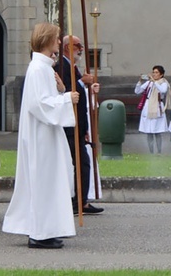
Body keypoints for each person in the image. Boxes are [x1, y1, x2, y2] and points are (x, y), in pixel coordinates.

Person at [2, 23, 79, 249]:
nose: (58, 42)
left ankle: (47, 229)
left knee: (51, 181)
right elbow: (39, 104)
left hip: (47, 134)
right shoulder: (37, 68)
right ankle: (39, 233)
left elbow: (46, 98)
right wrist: (67, 99)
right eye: (56, 39)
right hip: (41, 136)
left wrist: (62, 91)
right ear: (46, 41)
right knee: (44, 182)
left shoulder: (44, 68)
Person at [54, 35, 103, 216]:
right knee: (80, 163)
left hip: (77, 126)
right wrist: (83, 83)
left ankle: (81, 200)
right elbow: (66, 93)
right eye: (77, 45)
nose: (81, 49)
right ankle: (78, 202)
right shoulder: (62, 67)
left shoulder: (72, 67)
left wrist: (84, 129)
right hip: (68, 126)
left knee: (82, 163)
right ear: (67, 47)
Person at [135, 65, 171, 154]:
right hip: (148, 107)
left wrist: (154, 81)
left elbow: (162, 90)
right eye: (153, 72)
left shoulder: (163, 83)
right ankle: (151, 152)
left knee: (157, 132)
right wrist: (139, 82)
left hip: (157, 108)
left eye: (156, 72)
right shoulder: (149, 83)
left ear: (161, 74)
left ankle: (159, 152)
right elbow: (137, 91)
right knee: (149, 132)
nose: (154, 74)